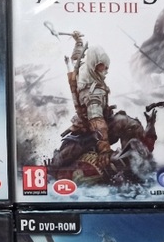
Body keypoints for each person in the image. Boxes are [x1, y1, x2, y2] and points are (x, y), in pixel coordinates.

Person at [50, 37, 156, 181]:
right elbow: (97, 121)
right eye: (101, 67)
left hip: (104, 125)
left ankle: (133, 161)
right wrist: (104, 149)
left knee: (130, 124)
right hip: (88, 134)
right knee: (60, 162)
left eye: (106, 67)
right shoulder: (93, 92)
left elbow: (77, 60)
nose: (105, 71)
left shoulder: (85, 70)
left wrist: (78, 43)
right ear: (93, 66)